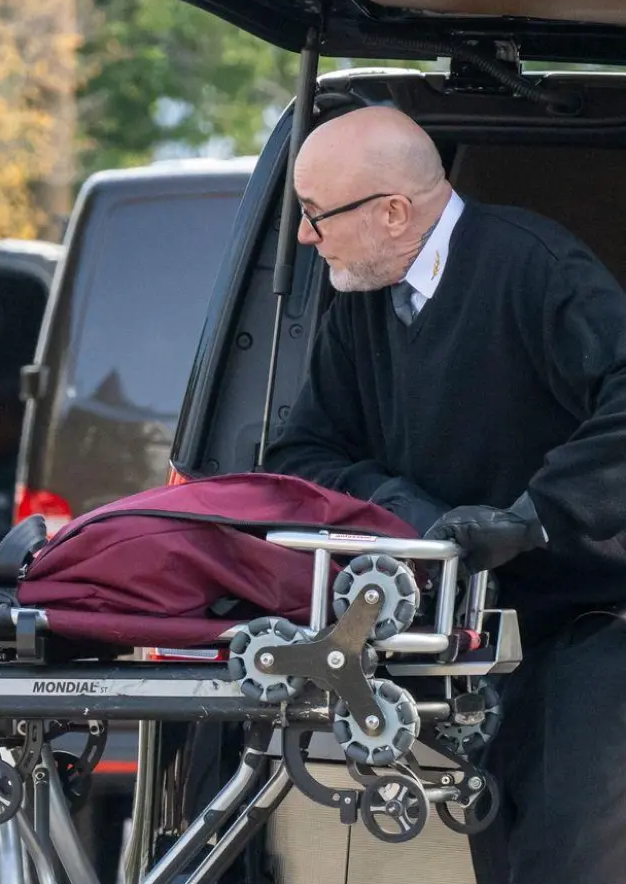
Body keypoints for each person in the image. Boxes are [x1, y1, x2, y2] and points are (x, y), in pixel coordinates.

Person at [264, 105, 626, 884]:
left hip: (594, 623)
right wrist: (407, 508)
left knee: (573, 859)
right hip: (470, 643)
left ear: (394, 213)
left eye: (316, 215)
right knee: (501, 857)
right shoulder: (362, 301)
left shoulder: (534, 268)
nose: (303, 236)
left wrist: (531, 520)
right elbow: (303, 454)